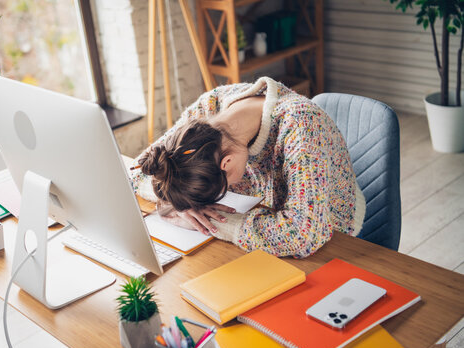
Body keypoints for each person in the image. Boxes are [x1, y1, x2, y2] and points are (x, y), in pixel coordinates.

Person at [130, 77, 365, 258]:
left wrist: (218, 224)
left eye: (225, 187)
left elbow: (304, 235)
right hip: (264, 219)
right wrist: (181, 205)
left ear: (227, 163)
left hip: (331, 231)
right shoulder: (207, 109)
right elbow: (139, 172)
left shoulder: (301, 123)